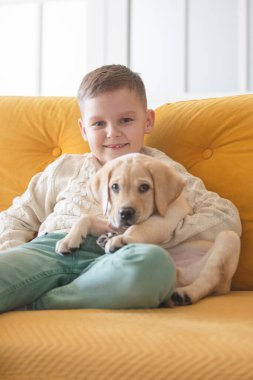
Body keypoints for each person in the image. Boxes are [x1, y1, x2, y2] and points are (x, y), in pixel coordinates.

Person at [0, 65, 241, 313]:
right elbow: (14, 218)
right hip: (52, 251)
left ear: (147, 121)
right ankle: (34, 289)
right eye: (98, 124)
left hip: (119, 262)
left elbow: (224, 217)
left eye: (125, 120)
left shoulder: (164, 171)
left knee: (154, 265)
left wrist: (155, 231)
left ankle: (44, 302)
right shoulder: (65, 168)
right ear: (83, 129)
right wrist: (17, 257)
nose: (113, 133)